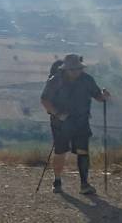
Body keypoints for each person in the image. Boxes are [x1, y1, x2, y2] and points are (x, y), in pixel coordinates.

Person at [40, 54, 111, 194]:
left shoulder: (87, 80)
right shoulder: (55, 80)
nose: (76, 71)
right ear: (66, 69)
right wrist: (58, 114)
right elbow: (44, 100)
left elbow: (97, 95)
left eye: (78, 68)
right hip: (61, 122)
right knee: (60, 151)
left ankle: (84, 185)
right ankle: (57, 181)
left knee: (83, 152)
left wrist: (103, 96)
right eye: (73, 69)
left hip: (81, 120)